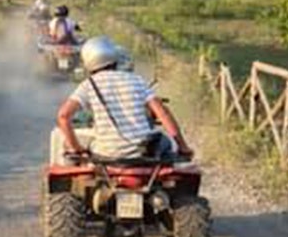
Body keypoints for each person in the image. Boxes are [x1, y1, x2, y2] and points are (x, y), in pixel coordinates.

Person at [55, 36, 193, 162]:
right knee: (165, 142)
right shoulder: (137, 80)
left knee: (69, 144)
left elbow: (63, 116)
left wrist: (77, 148)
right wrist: (183, 147)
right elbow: (163, 113)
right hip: (142, 152)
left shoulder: (88, 85)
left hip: (106, 153)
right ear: (114, 58)